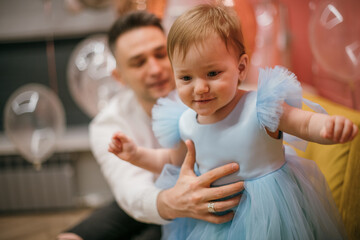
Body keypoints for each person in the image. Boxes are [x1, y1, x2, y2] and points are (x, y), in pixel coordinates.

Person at [108, 4, 358, 239]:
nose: (200, 88)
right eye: (186, 78)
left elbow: (302, 123)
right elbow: (171, 161)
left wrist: (326, 127)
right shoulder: (185, 122)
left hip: (273, 214)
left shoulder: (261, 106)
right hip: (216, 221)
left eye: (213, 73)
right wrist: (135, 154)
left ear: (240, 68)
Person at [57, 10, 244, 240]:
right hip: (153, 199)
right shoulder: (108, 123)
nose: (155, 70)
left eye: (160, 54)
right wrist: (172, 201)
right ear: (119, 76)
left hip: (215, 193)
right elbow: (131, 190)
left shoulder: (205, 95)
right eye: (139, 62)